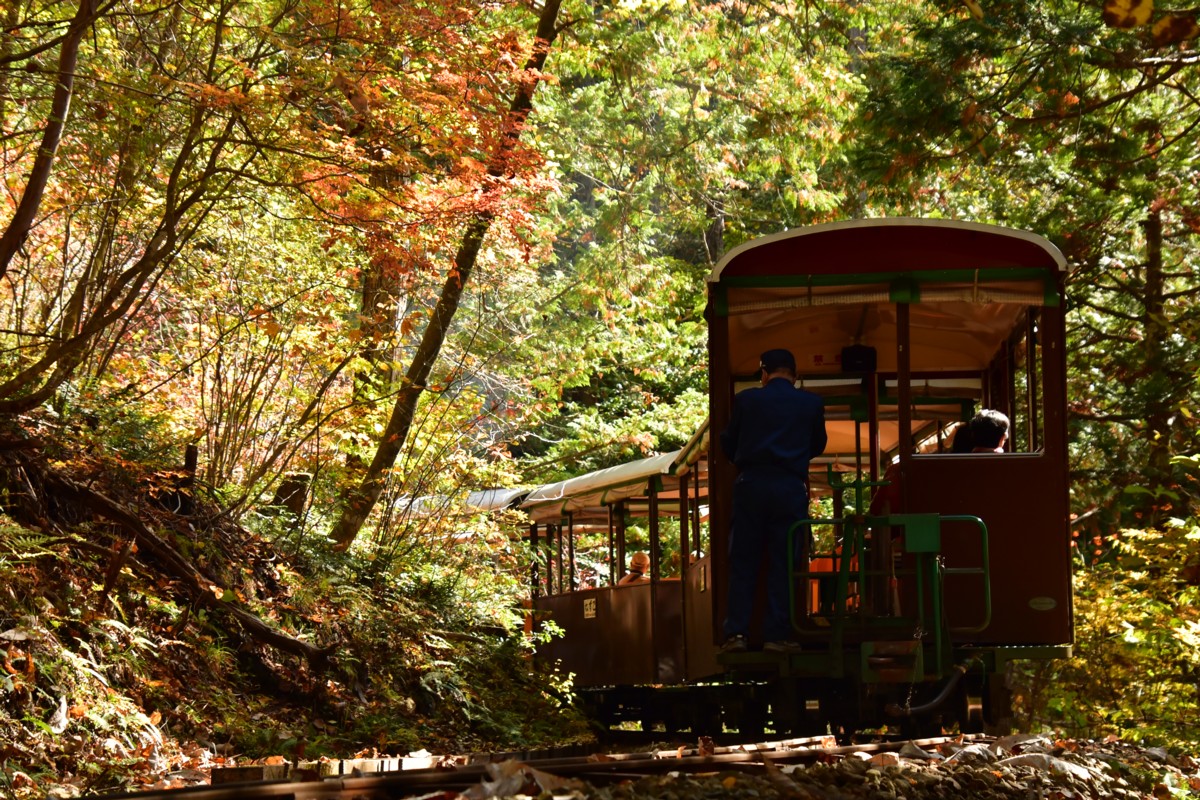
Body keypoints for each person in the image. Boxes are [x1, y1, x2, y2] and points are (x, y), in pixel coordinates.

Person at [719, 348, 827, 654]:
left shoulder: (747, 400)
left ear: (764, 373)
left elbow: (729, 442)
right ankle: (776, 635)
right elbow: (817, 444)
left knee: (744, 560)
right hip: (789, 487)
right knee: (784, 561)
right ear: (794, 374)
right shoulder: (811, 403)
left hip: (751, 484)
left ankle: (736, 634)